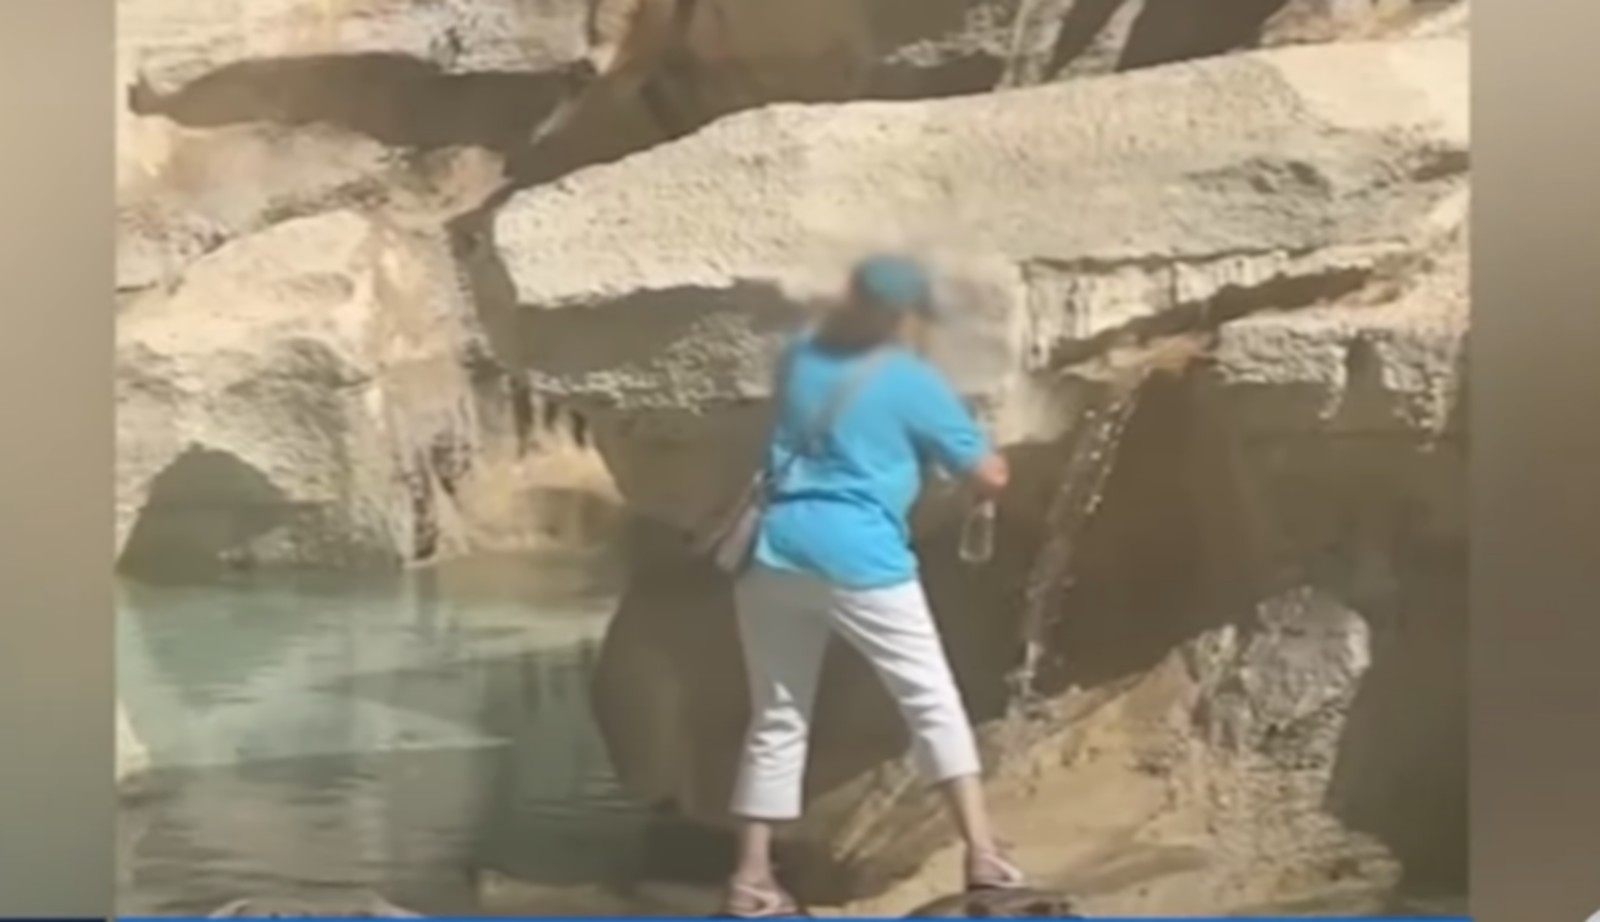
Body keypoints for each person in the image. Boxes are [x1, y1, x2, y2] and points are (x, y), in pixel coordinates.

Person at [720, 255, 1025, 917]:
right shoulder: (911, 381)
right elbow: (988, 476)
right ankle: (982, 854)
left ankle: (750, 879)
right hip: (860, 556)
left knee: (777, 716)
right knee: (931, 699)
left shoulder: (800, 356)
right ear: (902, 316)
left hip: (775, 549)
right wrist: (985, 461)